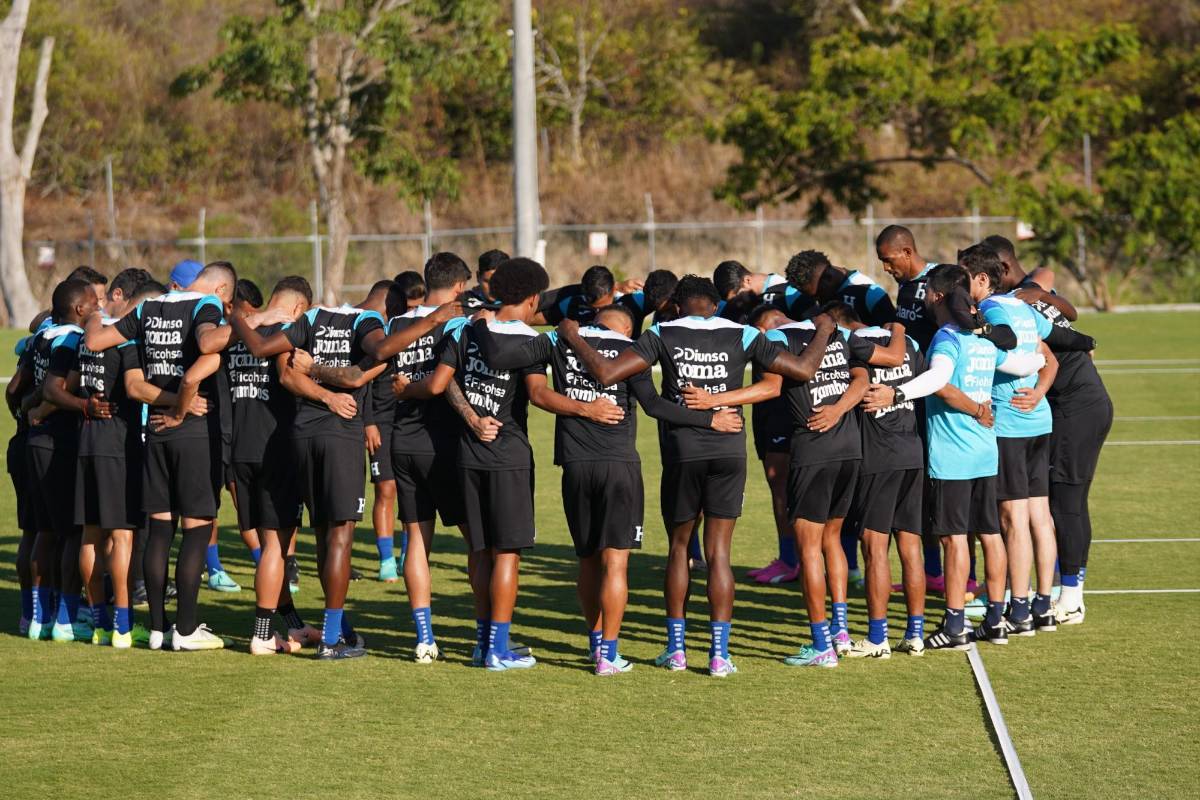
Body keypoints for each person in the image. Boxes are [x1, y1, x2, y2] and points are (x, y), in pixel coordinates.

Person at [557, 275, 833, 677]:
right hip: (729, 450)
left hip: (683, 452)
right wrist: (823, 328)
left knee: (680, 549)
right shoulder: (741, 333)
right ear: (716, 306)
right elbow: (801, 371)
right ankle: (719, 656)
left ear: (676, 307)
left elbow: (607, 372)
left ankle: (677, 650)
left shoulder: (662, 332)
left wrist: (572, 336)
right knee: (720, 553)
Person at [473, 302, 743, 674]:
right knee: (615, 562)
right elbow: (654, 405)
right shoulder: (632, 350)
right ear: (627, 328)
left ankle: (594, 641)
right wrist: (710, 420)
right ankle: (609, 655)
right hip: (619, 467)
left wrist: (480, 326)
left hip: (575, 465)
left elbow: (523, 380)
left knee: (587, 560)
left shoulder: (559, 340)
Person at [863, 264, 1046, 650]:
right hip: (986, 450)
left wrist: (896, 394)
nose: (925, 297)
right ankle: (996, 620)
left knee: (954, 539)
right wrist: (1038, 363)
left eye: (928, 292)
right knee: (990, 534)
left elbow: (938, 380)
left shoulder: (948, 337)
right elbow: (1025, 363)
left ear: (939, 296)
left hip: (953, 455)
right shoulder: (982, 339)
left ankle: (956, 625)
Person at [85, 261, 239, 651]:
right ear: (221, 291)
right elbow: (208, 345)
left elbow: (95, 342)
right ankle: (186, 630)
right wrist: (242, 324)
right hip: (194, 429)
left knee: (159, 531)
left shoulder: (148, 307)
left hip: (154, 430)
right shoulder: (206, 305)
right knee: (197, 528)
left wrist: (95, 315)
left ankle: (157, 628)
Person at [409, 257, 550, 671]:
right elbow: (538, 394)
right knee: (507, 554)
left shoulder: (467, 328)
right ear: (532, 298)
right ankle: (498, 649)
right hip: (507, 456)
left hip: (468, 453)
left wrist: (471, 418)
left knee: (480, 550)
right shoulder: (532, 340)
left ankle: (481, 641)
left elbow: (446, 382)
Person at [232, 289, 390, 659]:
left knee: (319, 537)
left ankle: (329, 629)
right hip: (317, 440)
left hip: (273, 441)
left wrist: (238, 317)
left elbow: (282, 370)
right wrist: (330, 394)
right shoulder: (366, 326)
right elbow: (354, 376)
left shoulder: (307, 322)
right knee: (333, 538)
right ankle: (328, 640)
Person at [988, 235, 1111, 624]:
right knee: (1058, 500)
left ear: (1000, 270)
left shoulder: (1018, 302)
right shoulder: (1028, 292)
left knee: (1066, 500)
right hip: (1070, 406)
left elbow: (1054, 331)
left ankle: (1071, 597)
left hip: (1079, 407)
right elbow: (1049, 279)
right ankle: (1053, 590)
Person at [961, 244, 1060, 634]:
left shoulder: (991, 312)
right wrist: (1039, 393)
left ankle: (1018, 610)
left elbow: (1011, 355)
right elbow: (1049, 358)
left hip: (1010, 427)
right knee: (1040, 516)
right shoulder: (1022, 307)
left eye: (963, 278)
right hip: (1038, 420)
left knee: (1013, 519)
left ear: (982, 279)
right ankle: (1042, 606)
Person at [825, 303, 930, 657]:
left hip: (879, 457)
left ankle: (877, 638)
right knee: (911, 547)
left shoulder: (853, 343)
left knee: (874, 547)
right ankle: (915, 634)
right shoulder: (910, 345)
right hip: (913, 452)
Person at [384, 253, 473, 663]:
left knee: (416, 540)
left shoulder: (396, 324)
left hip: (403, 441)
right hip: (445, 444)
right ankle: (487, 636)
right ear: (458, 287)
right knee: (478, 542)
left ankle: (424, 639)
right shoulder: (458, 323)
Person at [229, 276, 322, 655]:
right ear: (299, 308)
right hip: (275, 449)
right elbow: (290, 379)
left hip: (238, 449)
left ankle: (293, 624)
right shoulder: (287, 335)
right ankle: (263, 634)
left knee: (272, 547)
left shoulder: (237, 332)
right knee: (275, 547)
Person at [71, 274, 163, 647]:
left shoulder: (87, 337)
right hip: (117, 445)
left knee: (91, 534)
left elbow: (72, 382)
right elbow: (133, 388)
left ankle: (98, 624)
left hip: (86, 442)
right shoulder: (126, 339)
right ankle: (122, 627)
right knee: (123, 535)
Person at [22, 279, 97, 642]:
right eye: (94, 302)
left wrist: (29, 408)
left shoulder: (44, 335)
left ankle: (38, 618)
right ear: (80, 309)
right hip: (60, 442)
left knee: (45, 531)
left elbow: (30, 387)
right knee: (72, 532)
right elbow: (55, 389)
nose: (98, 307)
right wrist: (83, 405)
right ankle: (66, 619)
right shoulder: (71, 339)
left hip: (37, 442)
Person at [875, 225, 947, 593]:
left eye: (889, 260)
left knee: (941, 490)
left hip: (937, 398)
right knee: (920, 492)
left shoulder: (939, 282)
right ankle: (932, 571)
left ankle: (962, 576)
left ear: (906, 252)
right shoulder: (905, 287)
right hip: (911, 399)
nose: (886, 268)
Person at [366, 274, 423, 582]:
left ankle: (408, 552)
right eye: (408, 308)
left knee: (410, 492)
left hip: (410, 421)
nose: (411, 315)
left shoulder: (422, 333)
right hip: (382, 421)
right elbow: (362, 383)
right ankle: (386, 558)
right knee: (385, 488)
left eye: (417, 308)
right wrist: (369, 422)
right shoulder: (378, 335)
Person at [785, 250, 896, 327]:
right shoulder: (819, 288)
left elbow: (890, 336)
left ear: (828, 278)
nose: (817, 300)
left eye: (818, 295)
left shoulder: (869, 293)